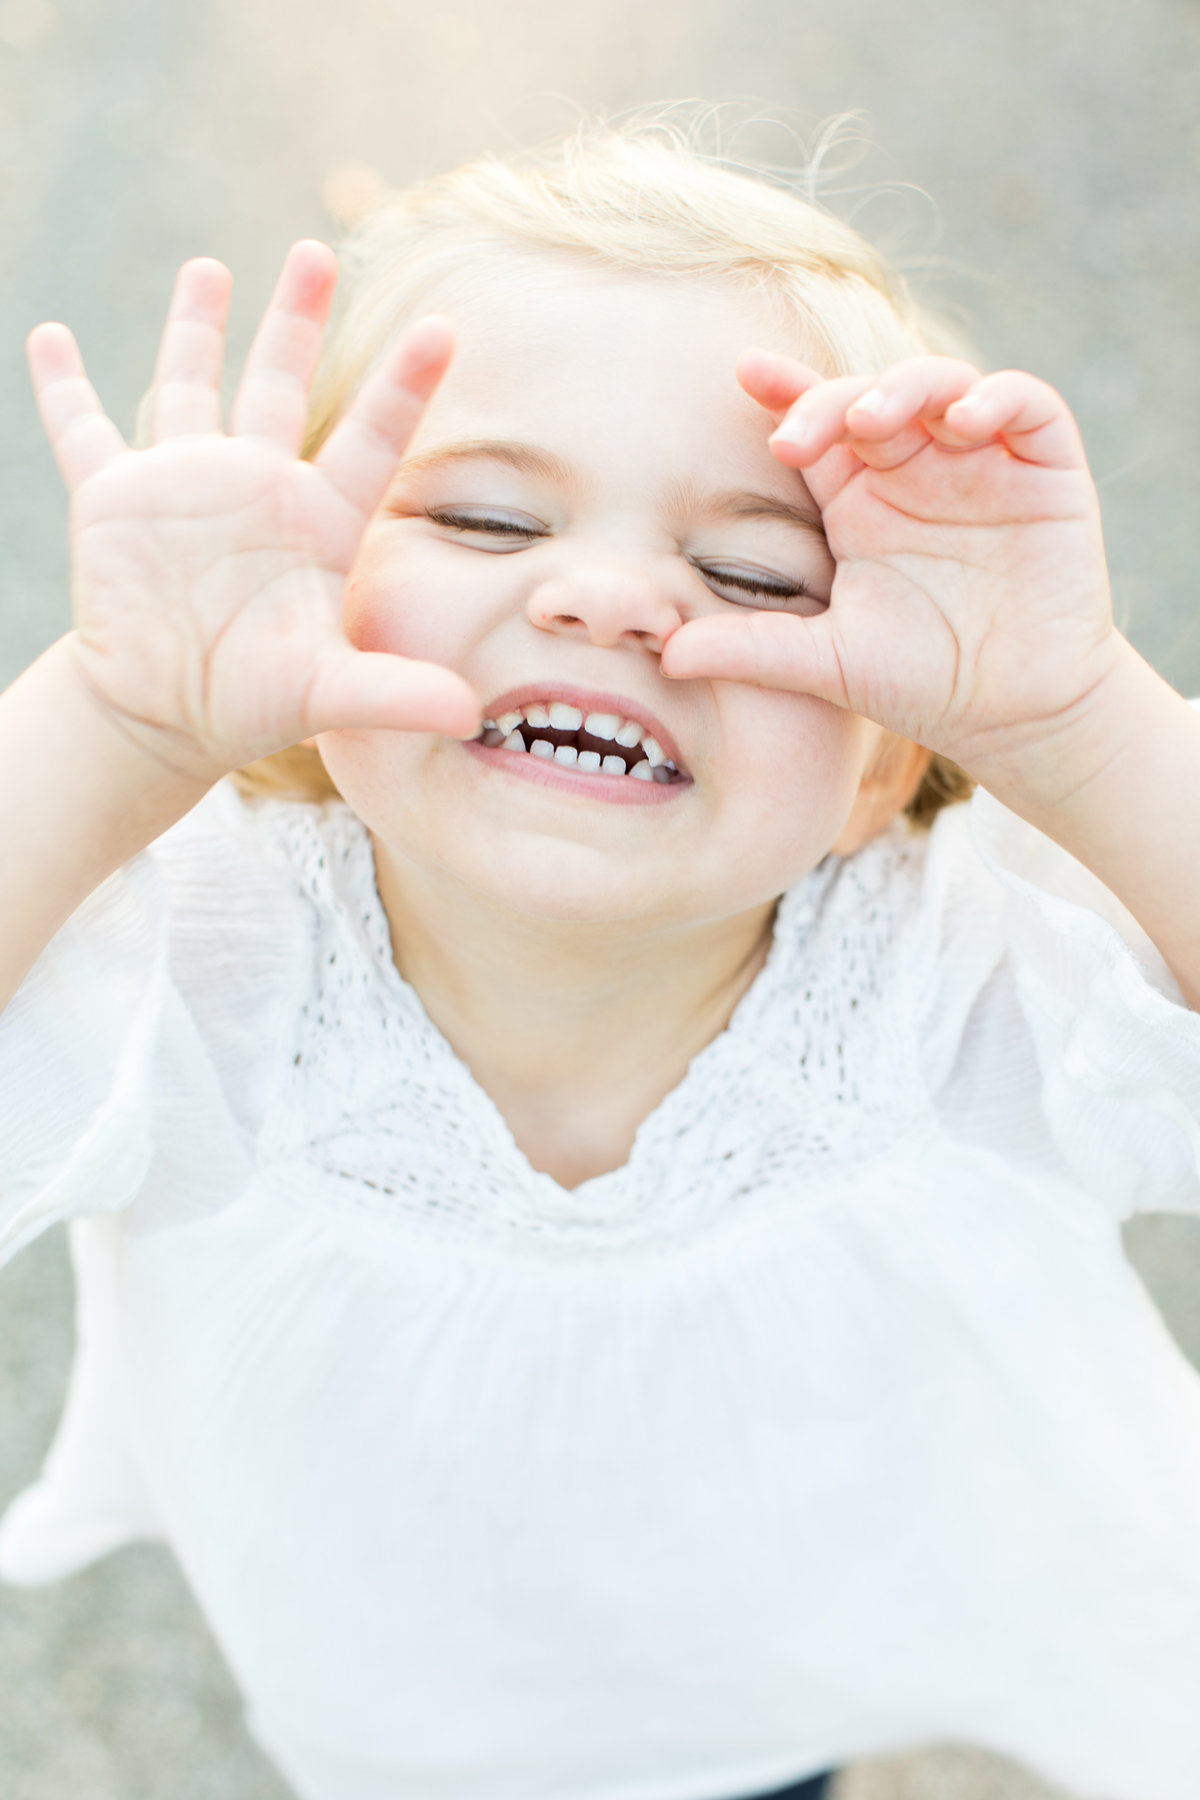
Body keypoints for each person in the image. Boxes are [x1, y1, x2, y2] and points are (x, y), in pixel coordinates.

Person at [1, 117, 1199, 1800]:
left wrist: (1077, 718)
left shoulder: (959, 974)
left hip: (786, 1687)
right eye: (488, 520)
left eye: (751, 570)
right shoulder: (200, 966)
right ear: (310, 602)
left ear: (882, 763)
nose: (611, 598)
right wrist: (114, 720)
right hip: (400, 1720)